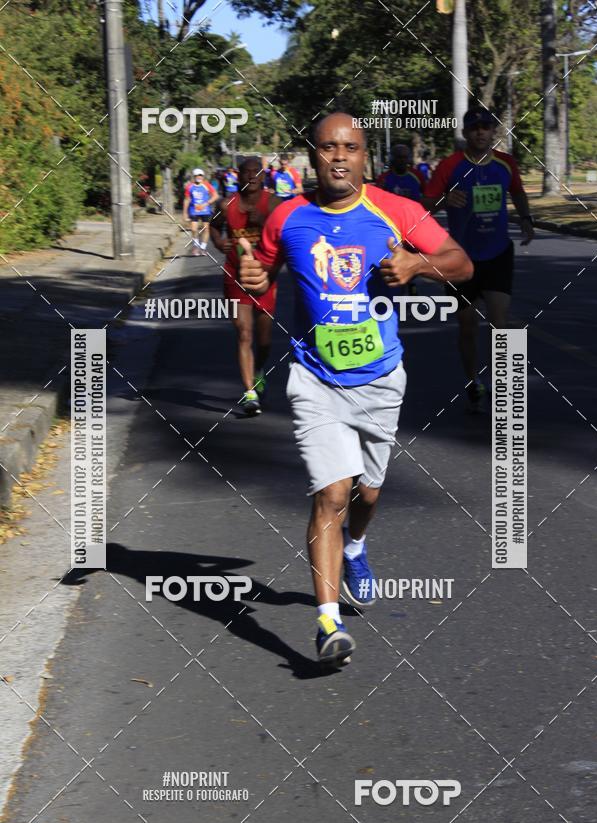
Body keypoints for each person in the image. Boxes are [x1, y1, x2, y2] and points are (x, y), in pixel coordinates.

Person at [239, 112, 472, 665]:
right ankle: (327, 624)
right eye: (327, 148)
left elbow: (460, 264)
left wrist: (418, 263)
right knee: (333, 494)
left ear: (364, 155)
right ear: (313, 155)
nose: (338, 158)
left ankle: (358, 547)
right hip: (315, 378)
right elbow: (267, 272)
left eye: (350, 148)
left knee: (367, 494)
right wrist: (256, 280)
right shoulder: (288, 217)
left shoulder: (396, 210)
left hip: (380, 381)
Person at [424, 107, 534, 411]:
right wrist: (445, 200)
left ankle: (505, 385)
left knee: (500, 323)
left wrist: (525, 217)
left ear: (494, 131)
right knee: (467, 326)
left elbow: (518, 192)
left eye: (486, 127)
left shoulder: (506, 163)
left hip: (497, 252)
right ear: (465, 132)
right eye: (474, 128)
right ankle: (474, 381)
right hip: (459, 258)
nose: (480, 132)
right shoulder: (450, 166)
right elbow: (425, 204)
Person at [210, 157, 280, 416]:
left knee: (263, 341)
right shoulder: (226, 204)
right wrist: (219, 243)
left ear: (263, 177)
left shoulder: (273, 203)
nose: (251, 176)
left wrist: (262, 222)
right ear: (237, 176)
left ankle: (259, 371)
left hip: (264, 276)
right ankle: (249, 393)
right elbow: (214, 227)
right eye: (246, 172)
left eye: (256, 172)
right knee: (244, 334)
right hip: (234, 275)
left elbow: (284, 233)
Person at [183, 168, 219, 256]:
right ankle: (196, 246)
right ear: (194, 176)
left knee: (206, 229)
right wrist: (184, 213)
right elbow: (187, 200)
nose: (199, 177)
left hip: (205, 211)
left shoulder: (206, 185)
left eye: (200, 175)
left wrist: (206, 203)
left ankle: (203, 248)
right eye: (197, 175)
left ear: (203, 176)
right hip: (193, 211)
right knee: (194, 229)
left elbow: (215, 196)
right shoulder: (189, 187)